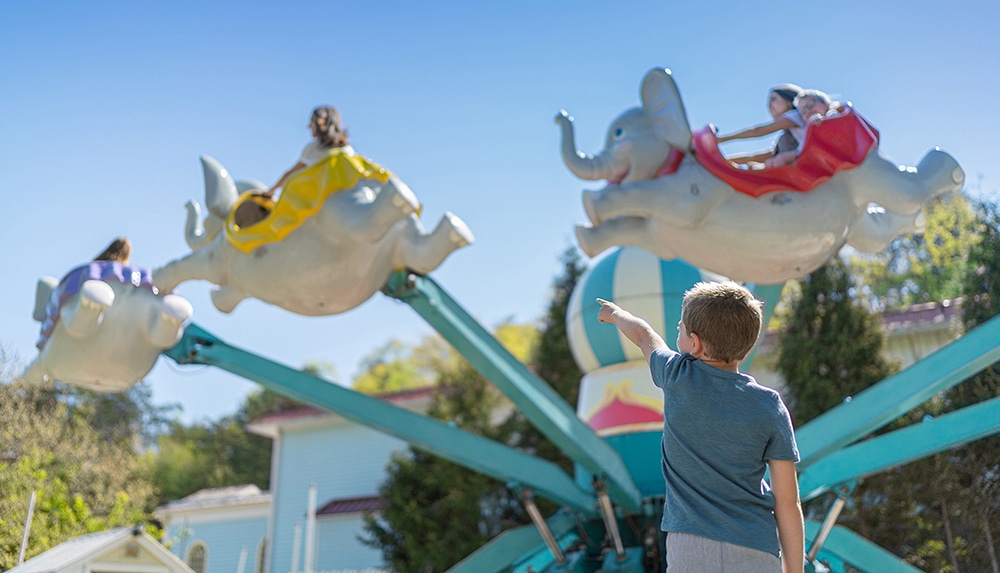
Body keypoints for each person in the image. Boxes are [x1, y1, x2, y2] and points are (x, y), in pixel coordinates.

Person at [597, 282, 804, 573]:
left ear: (695, 344)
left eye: (680, 329)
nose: (676, 334)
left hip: (690, 548)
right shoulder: (770, 406)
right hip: (755, 548)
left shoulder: (676, 375)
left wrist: (615, 313)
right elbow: (787, 500)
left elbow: (644, 335)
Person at [265, 106, 351, 199]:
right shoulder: (347, 149)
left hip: (320, 201)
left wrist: (271, 191)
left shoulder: (315, 148)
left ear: (320, 122)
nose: (309, 126)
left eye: (312, 122)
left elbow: (291, 174)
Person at [721, 84, 804, 168]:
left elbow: (758, 131)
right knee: (755, 164)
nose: (769, 106)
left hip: (803, 170)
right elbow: (758, 157)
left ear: (789, 102)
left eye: (773, 99)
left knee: (758, 166)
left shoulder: (795, 116)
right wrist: (725, 160)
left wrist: (721, 139)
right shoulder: (786, 137)